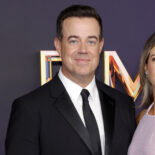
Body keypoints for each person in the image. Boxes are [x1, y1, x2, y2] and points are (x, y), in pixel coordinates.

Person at [5, 5, 136, 155]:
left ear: (100, 46)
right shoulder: (29, 109)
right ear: (58, 45)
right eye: (74, 41)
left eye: (91, 41)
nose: (83, 50)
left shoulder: (123, 105)